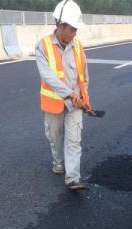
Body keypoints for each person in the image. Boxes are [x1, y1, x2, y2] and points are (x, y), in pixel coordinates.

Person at [35, 0, 92, 191]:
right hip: (55, 104)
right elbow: (47, 76)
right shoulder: (43, 46)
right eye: (72, 29)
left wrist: (85, 98)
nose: (75, 33)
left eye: (76, 29)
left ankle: (73, 178)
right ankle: (58, 161)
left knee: (74, 139)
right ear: (61, 26)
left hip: (75, 104)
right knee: (55, 135)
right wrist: (68, 94)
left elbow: (83, 76)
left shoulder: (78, 46)